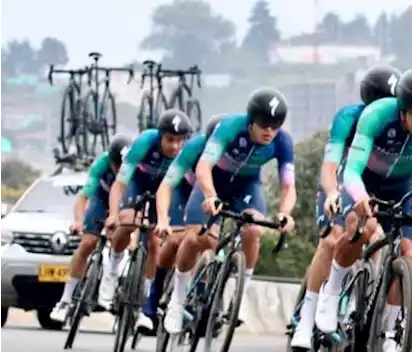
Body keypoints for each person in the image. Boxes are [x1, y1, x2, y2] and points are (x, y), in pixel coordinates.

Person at [312, 67, 412, 352]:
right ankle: (332, 293)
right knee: (363, 228)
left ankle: (391, 338)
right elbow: (352, 170)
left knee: (408, 254)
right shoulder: (376, 116)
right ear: (402, 108)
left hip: (401, 188)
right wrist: (358, 198)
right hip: (363, 183)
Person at [163, 88, 297, 335]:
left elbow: (288, 185)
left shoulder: (283, 142)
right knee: (196, 239)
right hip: (215, 181)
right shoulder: (230, 127)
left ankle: (239, 297)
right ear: (251, 121)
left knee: (254, 230)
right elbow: (204, 166)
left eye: (275, 126)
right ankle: (177, 300)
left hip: (247, 186)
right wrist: (210, 195)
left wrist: (285, 213)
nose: (269, 131)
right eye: (264, 125)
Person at [291, 64, 401, 351]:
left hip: (379, 184)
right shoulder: (348, 118)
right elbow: (331, 166)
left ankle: (362, 297)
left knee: (383, 238)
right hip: (344, 179)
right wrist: (330, 193)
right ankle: (306, 320)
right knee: (331, 240)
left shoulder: (403, 123)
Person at [100, 108, 193, 331]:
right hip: (138, 182)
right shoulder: (144, 143)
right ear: (160, 135)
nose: (174, 146)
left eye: (180, 141)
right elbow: (119, 184)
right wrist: (113, 214)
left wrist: (167, 220)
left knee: (154, 243)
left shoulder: (185, 153)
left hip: (165, 189)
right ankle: (112, 270)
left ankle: (144, 306)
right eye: (170, 140)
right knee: (128, 221)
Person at [147, 113, 228, 330]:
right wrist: (163, 220)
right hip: (185, 192)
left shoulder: (238, 154)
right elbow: (167, 186)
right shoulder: (193, 148)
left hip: (213, 194)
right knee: (174, 240)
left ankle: (208, 301)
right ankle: (153, 297)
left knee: (211, 243)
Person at [50, 133, 132, 324]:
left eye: (123, 167)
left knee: (118, 235)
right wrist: (78, 221)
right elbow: (83, 197)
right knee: (87, 243)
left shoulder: (136, 166)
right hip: (101, 200)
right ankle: (65, 300)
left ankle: (112, 274)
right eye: (116, 166)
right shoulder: (101, 164)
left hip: (124, 202)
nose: (120, 170)